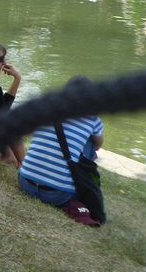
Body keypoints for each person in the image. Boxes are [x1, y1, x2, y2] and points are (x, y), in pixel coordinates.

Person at [18, 76, 104, 224]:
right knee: (90, 143)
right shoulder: (92, 118)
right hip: (58, 195)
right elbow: (97, 146)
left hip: (25, 182)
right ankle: (72, 179)